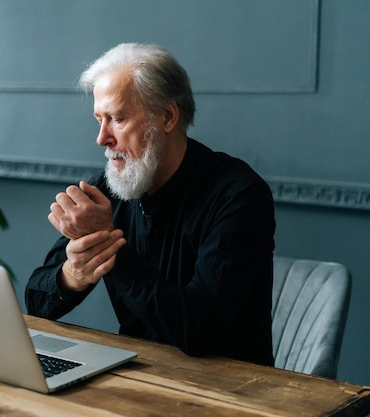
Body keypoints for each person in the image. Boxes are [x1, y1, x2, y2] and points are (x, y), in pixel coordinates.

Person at [25, 43, 275, 366]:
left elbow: (198, 331)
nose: (102, 138)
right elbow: (37, 300)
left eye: (117, 118)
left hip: (230, 395)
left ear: (168, 116)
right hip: (138, 379)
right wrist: (76, 270)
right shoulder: (108, 187)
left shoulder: (240, 195)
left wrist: (108, 244)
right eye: (99, 119)